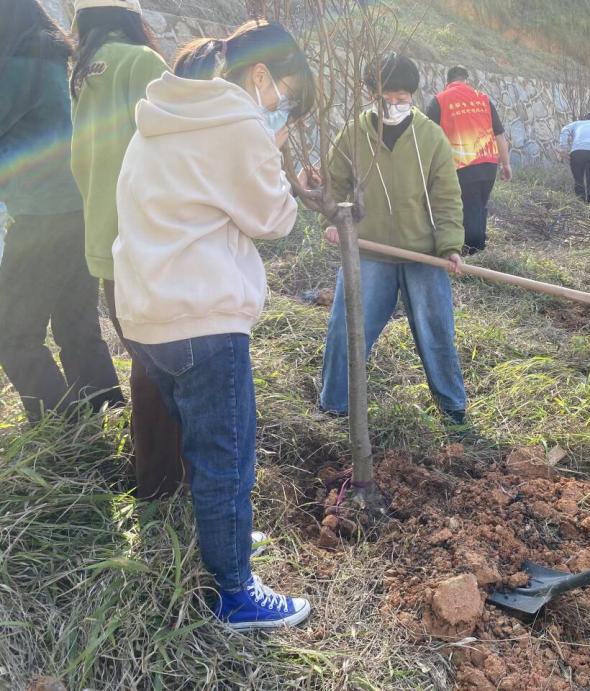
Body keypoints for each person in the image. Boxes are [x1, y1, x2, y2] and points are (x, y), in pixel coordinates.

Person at [112, 20, 316, 630]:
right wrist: (275, 156)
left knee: (197, 445)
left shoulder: (163, 111)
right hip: (203, 318)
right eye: (283, 96)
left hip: (145, 313)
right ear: (261, 74)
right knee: (226, 457)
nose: (279, 109)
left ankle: (223, 537)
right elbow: (274, 218)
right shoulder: (237, 120)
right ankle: (234, 593)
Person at [69, 0, 180, 498]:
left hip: (103, 240)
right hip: (143, 240)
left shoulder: (84, 72)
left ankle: (150, 473)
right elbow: (169, 149)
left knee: (143, 357)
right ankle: (161, 485)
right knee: (160, 364)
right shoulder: (142, 62)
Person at [320, 54, 468, 426]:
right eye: (386, 96)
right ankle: (334, 406)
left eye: (402, 97)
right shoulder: (353, 134)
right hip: (368, 251)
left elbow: (447, 197)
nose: (394, 104)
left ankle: (453, 410)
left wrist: (450, 246)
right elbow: (335, 184)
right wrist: (336, 220)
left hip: (423, 253)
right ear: (372, 93)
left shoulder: (430, 137)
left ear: (412, 95)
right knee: (346, 328)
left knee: (436, 332)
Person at [0, 0, 122, 422]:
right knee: (77, 325)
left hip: (42, 219)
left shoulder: (18, 69)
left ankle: (62, 427)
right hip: (79, 210)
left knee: (12, 333)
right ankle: (108, 415)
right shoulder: (53, 61)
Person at [425, 65, 511, 255]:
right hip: (488, 163)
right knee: (478, 206)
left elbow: (427, 136)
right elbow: (499, 134)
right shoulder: (483, 99)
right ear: (466, 80)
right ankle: (477, 248)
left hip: (461, 165)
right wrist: (506, 164)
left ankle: (473, 252)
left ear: (448, 82)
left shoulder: (440, 100)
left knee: (468, 208)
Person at [559, 112, 590, 206]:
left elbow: (564, 130)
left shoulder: (578, 123)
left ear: (585, 118)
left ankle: (580, 206)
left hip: (577, 152)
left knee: (578, 181)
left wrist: (564, 148)